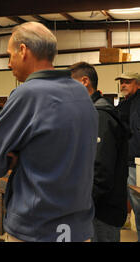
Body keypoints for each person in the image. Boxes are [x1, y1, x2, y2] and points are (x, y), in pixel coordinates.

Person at [0, 22, 98, 242]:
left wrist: (16, 157)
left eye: (9, 54)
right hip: (78, 228)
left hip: (37, 228)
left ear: (23, 51)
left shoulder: (28, 94)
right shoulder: (81, 94)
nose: (8, 63)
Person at [70, 61, 129, 242]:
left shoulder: (99, 115)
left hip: (101, 212)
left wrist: (82, 203)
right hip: (96, 207)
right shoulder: (91, 113)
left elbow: (100, 170)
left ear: (84, 81)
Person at [115, 70, 140, 242]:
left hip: (136, 162)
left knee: (139, 206)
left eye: (127, 82)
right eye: (122, 82)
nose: (123, 85)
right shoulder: (124, 104)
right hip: (128, 161)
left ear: (138, 84)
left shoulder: (137, 103)